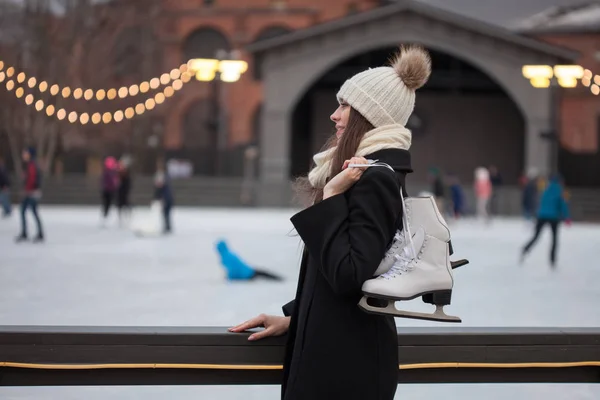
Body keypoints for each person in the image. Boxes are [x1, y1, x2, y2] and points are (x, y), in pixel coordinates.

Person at [230, 45, 431, 400]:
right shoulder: (361, 172)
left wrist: (332, 198)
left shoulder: (375, 178)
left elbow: (350, 275)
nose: (334, 116)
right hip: (337, 353)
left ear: (368, 115)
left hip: (348, 369)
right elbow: (345, 274)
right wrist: (296, 320)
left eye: (344, 106)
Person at [521, 174, 571, 267]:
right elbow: (563, 204)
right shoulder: (561, 190)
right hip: (554, 217)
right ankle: (552, 260)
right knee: (554, 239)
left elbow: (540, 201)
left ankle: (525, 249)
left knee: (536, 236)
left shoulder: (545, 188)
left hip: (542, 215)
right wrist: (567, 217)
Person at [216, 239, 283, 281]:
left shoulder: (225, 257)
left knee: (263, 273)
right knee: (263, 273)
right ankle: (279, 278)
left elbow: (233, 270)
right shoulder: (229, 254)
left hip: (246, 274)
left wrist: (230, 278)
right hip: (248, 272)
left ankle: (279, 279)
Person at [15, 147, 44, 243]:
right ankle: (32, 233)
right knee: (28, 212)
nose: (23, 155)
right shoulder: (30, 164)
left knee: (29, 211)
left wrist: (26, 190)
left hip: (31, 192)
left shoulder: (31, 165)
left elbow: (31, 179)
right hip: (31, 191)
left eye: (25, 153)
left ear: (29, 154)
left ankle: (32, 233)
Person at [154, 159, 173, 234]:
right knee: (165, 213)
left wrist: (158, 197)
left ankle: (167, 226)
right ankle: (167, 226)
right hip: (166, 197)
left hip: (166, 197)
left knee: (166, 212)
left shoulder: (163, 176)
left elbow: (160, 186)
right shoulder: (165, 175)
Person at [100, 156, 119, 227]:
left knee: (108, 205)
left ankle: (107, 218)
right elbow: (110, 182)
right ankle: (105, 218)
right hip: (108, 191)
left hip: (110, 190)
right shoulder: (108, 173)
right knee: (107, 205)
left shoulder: (111, 172)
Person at [117, 158, 132, 226]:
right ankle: (120, 219)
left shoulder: (127, 174)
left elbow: (128, 184)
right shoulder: (118, 174)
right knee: (120, 205)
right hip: (119, 192)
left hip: (124, 192)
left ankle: (128, 217)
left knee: (126, 204)